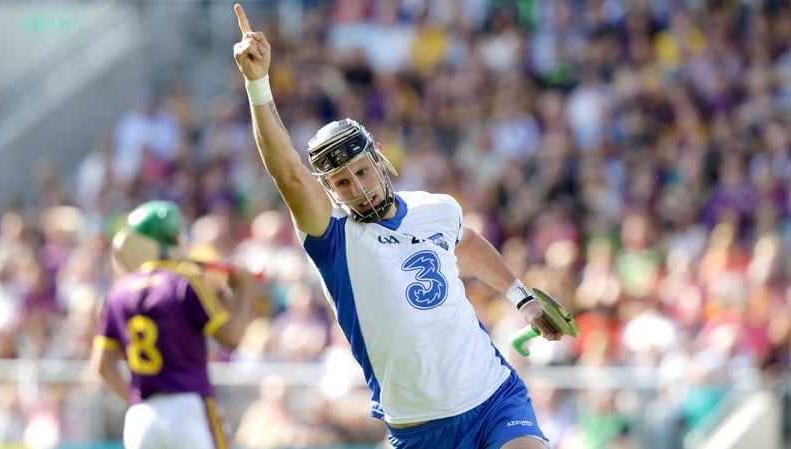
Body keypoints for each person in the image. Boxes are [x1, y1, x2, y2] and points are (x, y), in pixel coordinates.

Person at [232, 4, 564, 448]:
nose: (358, 188)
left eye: (362, 171)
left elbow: (465, 244)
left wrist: (521, 297)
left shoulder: (436, 208)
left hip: (491, 398)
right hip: (420, 428)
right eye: (342, 183)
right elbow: (288, 172)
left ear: (380, 158)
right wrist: (258, 85)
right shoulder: (334, 239)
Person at [90, 200, 255, 449]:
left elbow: (102, 364)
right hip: (188, 409)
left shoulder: (117, 292)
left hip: (141, 418)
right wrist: (244, 291)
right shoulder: (184, 283)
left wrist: (135, 399)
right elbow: (231, 338)